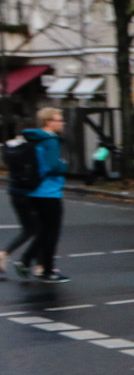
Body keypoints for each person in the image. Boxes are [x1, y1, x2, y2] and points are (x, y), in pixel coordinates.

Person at [13, 108, 70, 283]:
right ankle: (46, 270)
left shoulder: (34, 138)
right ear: (48, 122)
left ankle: (28, 261)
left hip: (33, 190)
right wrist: (64, 165)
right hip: (49, 191)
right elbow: (54, 166)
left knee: (44, 230)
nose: (62, 122)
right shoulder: (51, 140)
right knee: (51, 231)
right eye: (59, 119)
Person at [0, 124, 39, 278]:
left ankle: (6, 253)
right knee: (42, 228)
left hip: (14, 191)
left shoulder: (9, 148)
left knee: (29, 228)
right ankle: (38, 265)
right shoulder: (30, 148)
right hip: (30, 193)